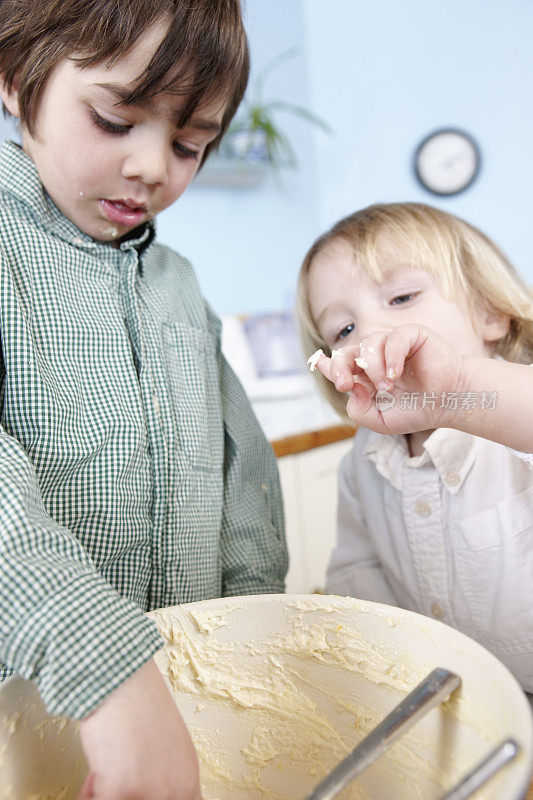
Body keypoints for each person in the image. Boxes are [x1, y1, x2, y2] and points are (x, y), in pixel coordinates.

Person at [0, 1, 288, 798]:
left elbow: (245, 481)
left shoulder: (182, 288)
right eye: (115, 119)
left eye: (190, 142)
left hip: (195, 702)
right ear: (16, 80)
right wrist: (99, 656)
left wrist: (249, 635)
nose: (154, 167)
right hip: (31, 710)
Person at [297, 202, 533, 691]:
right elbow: (358, 572)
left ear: (490, 312)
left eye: (402, 297)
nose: (369, 334)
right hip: (452, 698)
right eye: (343, 329)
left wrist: (460, 388)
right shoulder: (361, 465)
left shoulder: (514, 421)